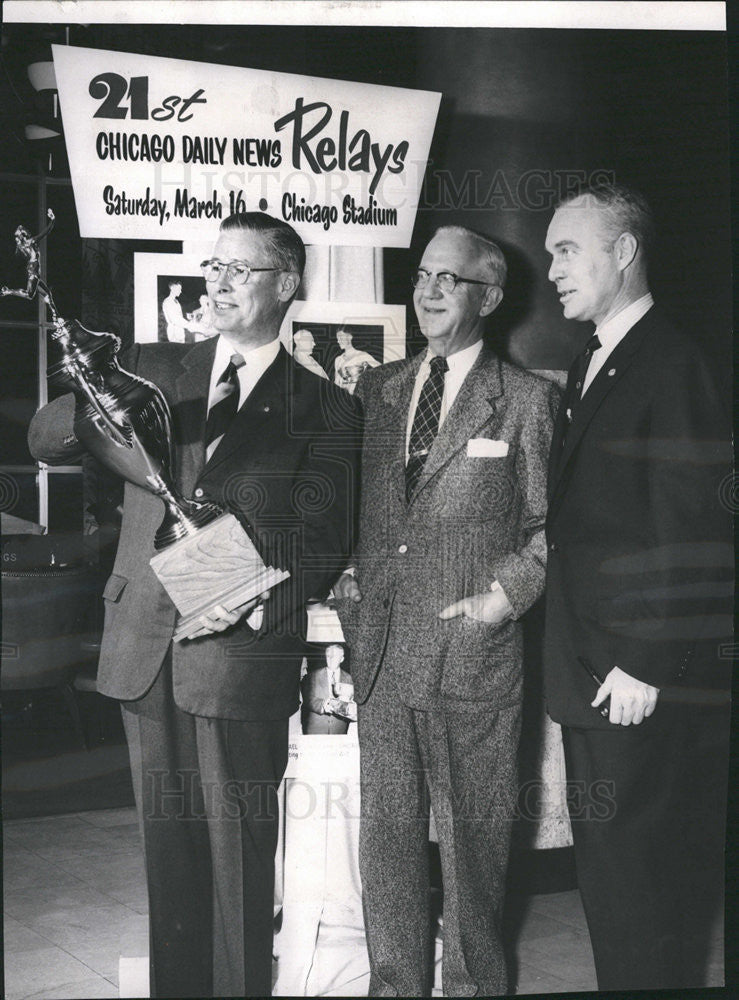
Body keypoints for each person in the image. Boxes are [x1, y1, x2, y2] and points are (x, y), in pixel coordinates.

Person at [29, 212, 360, 999]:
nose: (217, 280)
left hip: (240, 650)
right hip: (144, 644)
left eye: (240, 269)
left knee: (240, 857)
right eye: (212, 265)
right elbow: (47, 442)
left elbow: (324, 534)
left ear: (287, 284)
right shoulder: (151, 368)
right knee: (168, 852)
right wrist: (89, 387)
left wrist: (242, 596)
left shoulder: (326, 407)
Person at [334, 225, 560, 996]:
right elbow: (352, 514)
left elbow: (551, 527)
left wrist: (501, 599)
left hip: (471, 652)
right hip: (382, 650)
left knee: (473, 845)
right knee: (388, 841)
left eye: (447, 279)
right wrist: (346, 593)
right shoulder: (380, 390)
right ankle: (394, 986)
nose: (426, 291)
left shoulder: (527, 400)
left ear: (488, 298)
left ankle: (473, 989)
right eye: (421, 275)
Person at [542, 182, 732, 990]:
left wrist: (647, 663)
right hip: (595, 669)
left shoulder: (672, 361)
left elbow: (699, 527)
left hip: (634, 680)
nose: (552, 268)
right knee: (619, 893)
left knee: (645, 896)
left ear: (622, 252)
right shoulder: (603, 355)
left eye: (565, 249)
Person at [300, 643, 354, 734]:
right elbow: (307, 699)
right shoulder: (313, 676)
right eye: (328, 656)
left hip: (339, 730)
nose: (331, 659)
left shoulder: (349, 678)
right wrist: (323, 705)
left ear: (342, 659)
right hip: (316, 730)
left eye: (335, 656)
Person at [333, 327, 380, 393]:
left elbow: (380, 370)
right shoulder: (338, 360)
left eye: (341, 337)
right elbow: (336, 383)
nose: (338, 341)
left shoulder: (362, 355)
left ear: (349, 337)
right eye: (337, 339)